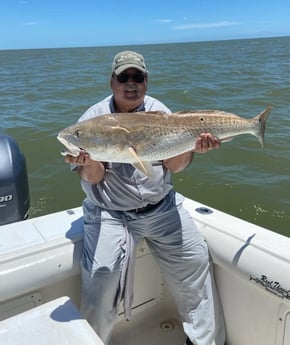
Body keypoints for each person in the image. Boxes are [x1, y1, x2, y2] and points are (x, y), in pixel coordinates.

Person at [64, 51, 226, 345]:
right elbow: (94, 178)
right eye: (123, 77)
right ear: (111, 81)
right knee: (101, 278)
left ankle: (203, 342)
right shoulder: (91, 122)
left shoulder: (160, 113)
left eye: (137, 77)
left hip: (161, 208)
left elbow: (174, 166)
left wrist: (192, 147)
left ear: (146, 82)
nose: (130, 83)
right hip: (110, 212)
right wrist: (87, 162)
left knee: (195, 260)